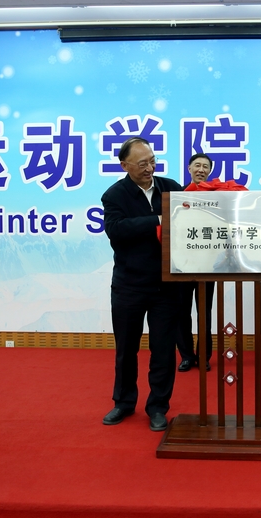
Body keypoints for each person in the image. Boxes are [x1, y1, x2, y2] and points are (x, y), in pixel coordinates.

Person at [100, 136, 183, 432]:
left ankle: (158, 406)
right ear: (125, 166)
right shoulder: (114, 195)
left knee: (163, 351)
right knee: (126, 349)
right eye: (142, 163)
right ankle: (123, 402)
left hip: (166, 286)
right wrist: (158, 220)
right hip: (129, 285)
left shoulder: (171, 188)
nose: (150, 168)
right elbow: (117, 230)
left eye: (153, 161)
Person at [177, 153, 215, 372]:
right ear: (189, 168)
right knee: (182, 312)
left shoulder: (216, 197)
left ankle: (204, 356)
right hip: (181, 265)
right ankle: (186, 355)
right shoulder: (177, 194)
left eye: (205, 167)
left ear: (210, 171)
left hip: (208, 264)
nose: (201, 169)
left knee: (204, 312)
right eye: (197, 165)